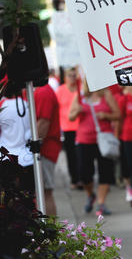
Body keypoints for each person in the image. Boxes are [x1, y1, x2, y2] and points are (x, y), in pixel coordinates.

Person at [69, 80, 120, 217]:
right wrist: (77, 111)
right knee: (84, 174)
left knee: (105, 172)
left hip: (103, 140)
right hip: (84, 140)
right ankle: (91, 194)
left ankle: (101, 203)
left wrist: (106, 116)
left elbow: (118, 114)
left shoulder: (106, 94)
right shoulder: (80, 96)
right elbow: (70, 117)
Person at [34, 82, 61, 215]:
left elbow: (43, 123)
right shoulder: (42, 90)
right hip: (45, 149)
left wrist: (32, 148)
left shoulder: (43, 91)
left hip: (45, 150)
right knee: (43, 193)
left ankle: (50, 233)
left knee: (45, 193)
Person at [55, 67, 81, 189]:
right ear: (65, 78)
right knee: (71, 155)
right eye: (70, 75)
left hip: (80, 126)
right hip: (67, 127)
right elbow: (56, 108)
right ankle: (74, 180)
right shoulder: (60, 90)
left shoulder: (80, 90)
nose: (72, 78)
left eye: (74, 75)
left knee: (80, 154)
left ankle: (82, 178)